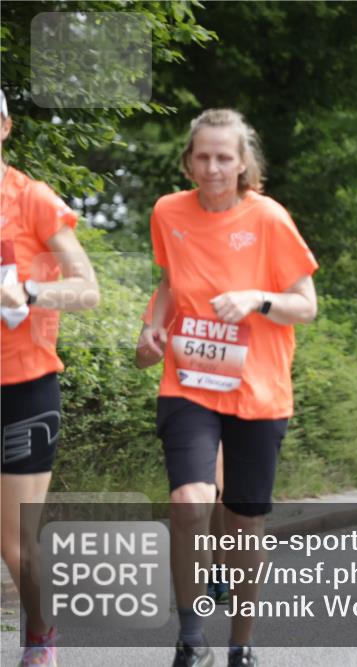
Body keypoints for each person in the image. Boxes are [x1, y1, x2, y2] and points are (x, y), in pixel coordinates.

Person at [138, 108, 318, 667]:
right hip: (190, 383)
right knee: (189, 502)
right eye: (203, 156)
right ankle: (192, 638)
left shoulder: (268, 218)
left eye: (224, 157)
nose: (213, 167)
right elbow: (169, 283)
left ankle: (241, 642)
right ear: (188, 161)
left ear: (243, 164)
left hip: (259, 391)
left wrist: (256, 299)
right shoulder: (168, 212)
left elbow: (306, 305)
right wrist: (152, 326)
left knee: (245, 522)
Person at [1, 89, 101, 667]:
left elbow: (87, 288)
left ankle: (40, 637)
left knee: (16, 541)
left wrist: (31, 291)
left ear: (6, 128)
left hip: (25, 384)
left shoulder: (31, 199)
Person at [136, 291, 229, 604]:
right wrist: (152, 346)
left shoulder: (242, 286)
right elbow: (141, 357)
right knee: (201, 493)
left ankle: (220, 568)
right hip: (188, 405)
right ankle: (205, 580)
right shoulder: (172, 292)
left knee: (219, 494)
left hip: (236, 400)